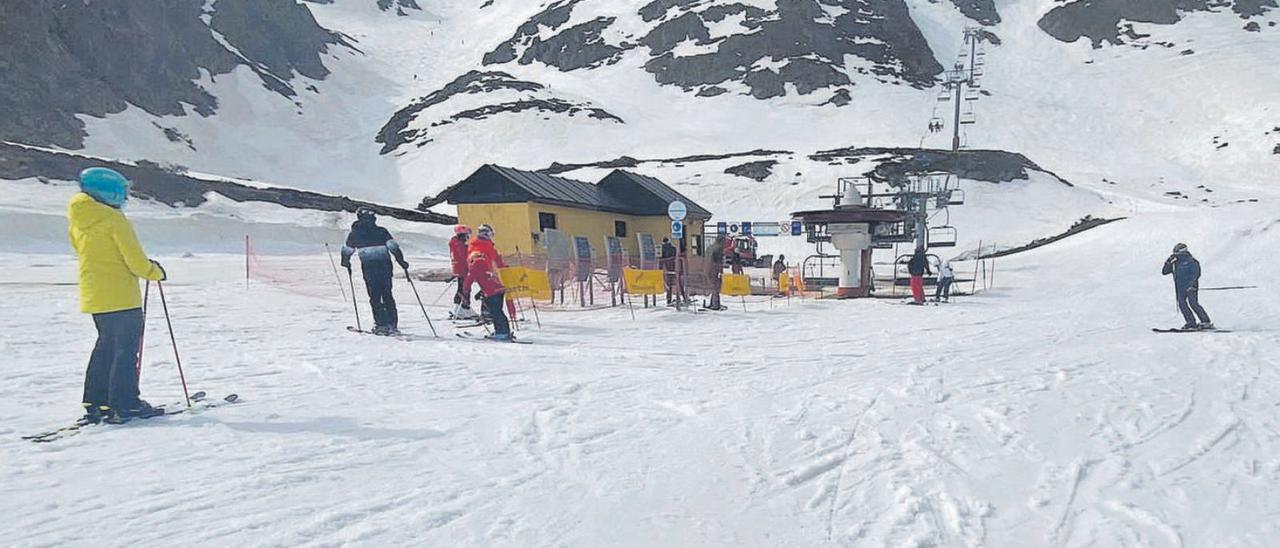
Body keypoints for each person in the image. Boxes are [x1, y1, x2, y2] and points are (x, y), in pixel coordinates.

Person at [69, 167, 168, 423]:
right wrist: (153, 271)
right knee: (125, 351)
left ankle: (95, 400)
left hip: (95, 294)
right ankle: (126, 403)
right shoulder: (113, 219)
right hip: (121, 296)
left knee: (105, 347)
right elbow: (134, 259)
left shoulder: (79, 218)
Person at [341, 208, 409, 335]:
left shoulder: (355, 234)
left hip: (369, 268)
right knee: (387, 295)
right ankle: (392, 324)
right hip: (385, 267)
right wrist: (402, 262)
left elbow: (347, 250)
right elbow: (394, 247)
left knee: (375, 297)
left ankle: (381, 325)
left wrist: (345, 262)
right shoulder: (381, 231)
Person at [466, 224, 517, 319]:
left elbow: (496, 257)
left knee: (489, 289)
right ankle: (488, 312)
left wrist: (504, 267)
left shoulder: (479, 244)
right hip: (483, 270)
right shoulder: (482, 245)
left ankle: (487, 312)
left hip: (484, 271)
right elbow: (494, 258)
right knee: (491, 290)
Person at [467, 240, 512, 341]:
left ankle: (502, 333)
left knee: (495, 312)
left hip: (493, 292)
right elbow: (487, 281)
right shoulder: (486, 265)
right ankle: (504, 331)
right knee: (498, 312)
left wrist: (465, 291)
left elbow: (469, 280)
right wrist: (481, 292)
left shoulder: (475, 266)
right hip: (499, 290)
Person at [1162, 243, 1213, 330]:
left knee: (1193, 303)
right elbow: (1165, 272)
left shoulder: (1191, 261)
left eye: (1176, 252)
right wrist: (1168, 263)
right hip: (1180, 287)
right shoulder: (1175, 262)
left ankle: (1205, 321)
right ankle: (1191, 322)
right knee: (1182, 304)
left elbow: (1196, 274)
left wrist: (1192, 284)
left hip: (1190, 286)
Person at [449, 225, 477, 320]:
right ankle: (464, 308)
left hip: (458, 268)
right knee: (465, 289)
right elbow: (465, 256)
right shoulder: (460, 245)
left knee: (461, 288)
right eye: (466, 235)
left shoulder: (454, 243)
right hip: (463, 269)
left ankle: (458, 307)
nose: (467, 237)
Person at [706, 235, 727, 310]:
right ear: (721, 241)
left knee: (713, 287)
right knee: (716, 287)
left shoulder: (710, 247)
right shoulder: (719, 249)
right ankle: (716, 304)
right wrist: (720, 271)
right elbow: (718, 262)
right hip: (715, 269)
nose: (725, 243)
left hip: (708, 269)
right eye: (724, 241)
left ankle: (712, 303)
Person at [660, 237, 677, 304]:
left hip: (666, 268)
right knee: (678, 283)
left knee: (668, 284)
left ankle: (669, 299)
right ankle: (683, 297)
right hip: (674, 267)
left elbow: (661, 258)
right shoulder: (673, 248)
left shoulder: (662, 248)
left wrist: (660, 267)